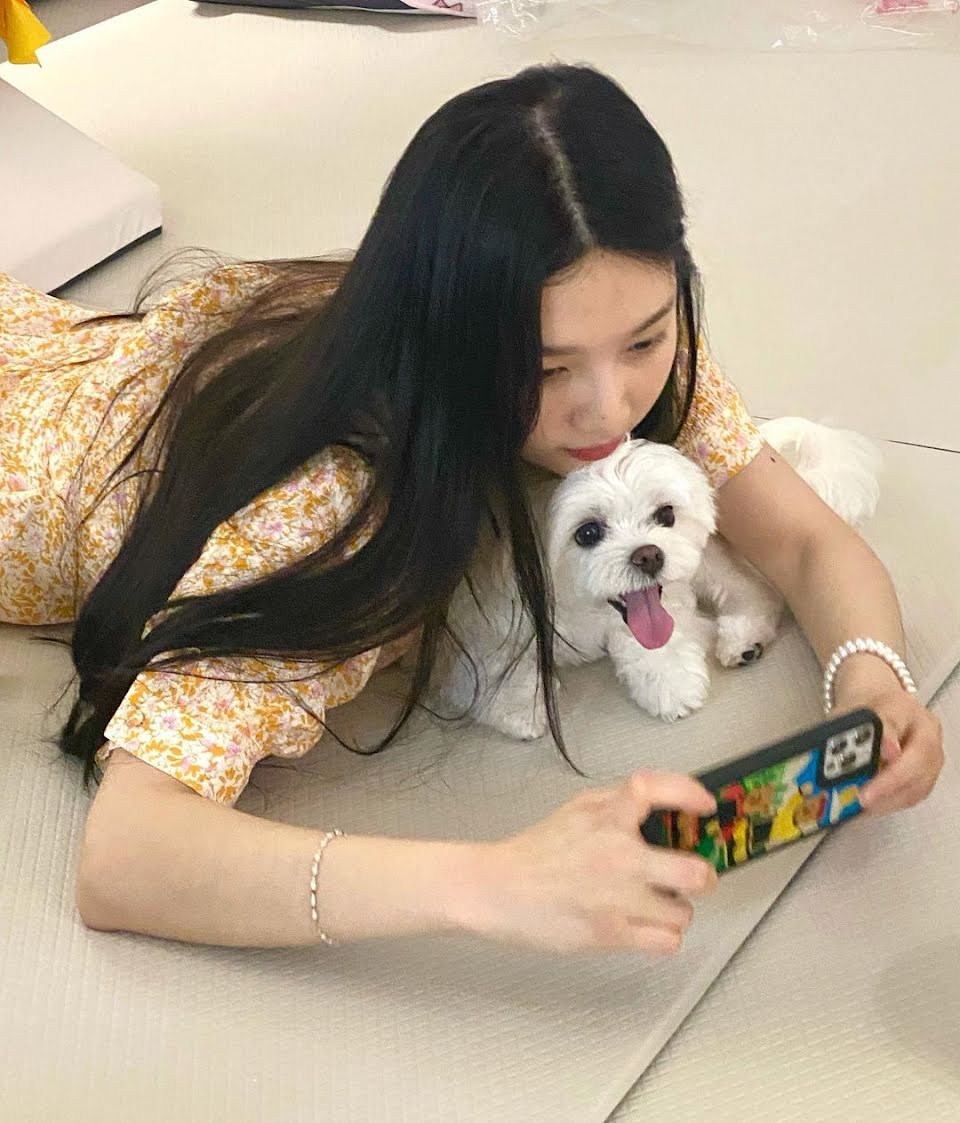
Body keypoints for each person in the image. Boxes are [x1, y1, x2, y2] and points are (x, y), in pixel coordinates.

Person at [0, 64, 942, 955]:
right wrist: (496, 882)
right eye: (545, 368)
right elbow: (126, 853)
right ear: (447, 336)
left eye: (645, 340)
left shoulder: (625, 353)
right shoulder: (333, 497)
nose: (610, 410)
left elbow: (805, 541)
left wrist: (873, 685)